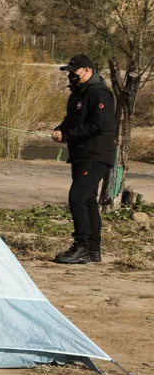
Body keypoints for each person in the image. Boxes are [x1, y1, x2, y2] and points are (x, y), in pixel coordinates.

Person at [51, 54, 117, 264]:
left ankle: (81, 246)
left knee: (77, 197)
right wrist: (60, 130)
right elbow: (71, 120)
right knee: (87, 200)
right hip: (80, 154)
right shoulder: (78, 94)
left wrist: (68, 135)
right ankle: (93, 249)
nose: (71, 75)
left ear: (87, 71)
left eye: (74, 72)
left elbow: (98, 125)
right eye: (69, 72)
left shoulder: (100, 93)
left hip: (96, 155)